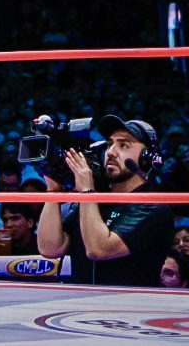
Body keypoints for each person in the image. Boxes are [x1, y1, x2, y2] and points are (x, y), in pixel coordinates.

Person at [37, 116, 174, 287]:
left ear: (147, 157)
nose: (111, 152)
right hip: (81, 302)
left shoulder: (152, 207)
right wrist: (53, 191)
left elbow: (99, 249)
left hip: (127, 302)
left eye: (123, 145)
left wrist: (86, 191)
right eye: (109, 144)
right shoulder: (96, 201)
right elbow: (50, 248)